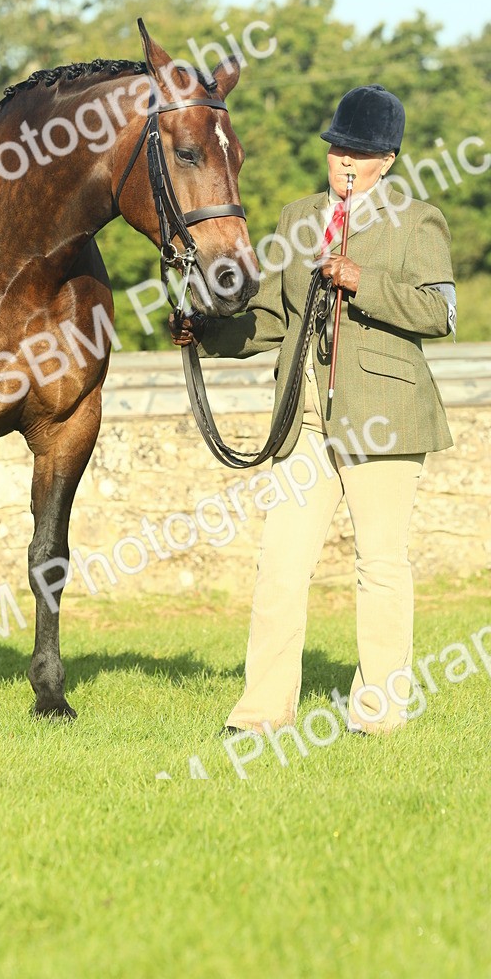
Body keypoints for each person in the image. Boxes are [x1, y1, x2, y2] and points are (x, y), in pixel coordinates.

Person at [170, 85, 456, 735]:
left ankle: (378, 712)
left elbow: (441, 312)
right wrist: (206, 334)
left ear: (388, 159)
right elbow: (274, 317)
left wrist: (364, 282)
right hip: (302, 422)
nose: (346, 160)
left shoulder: (418, 220)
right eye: (338, 148)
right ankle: (261, 713)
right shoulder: (298, 217)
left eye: (362, 152)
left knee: (379, 566)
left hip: (385, 419)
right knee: (279, 566)